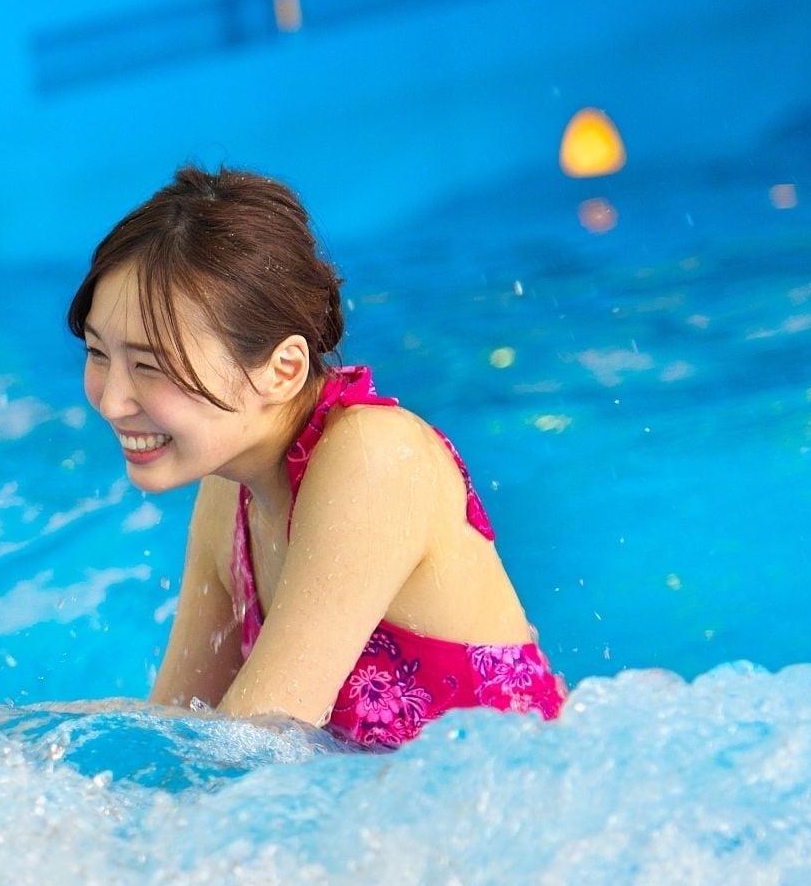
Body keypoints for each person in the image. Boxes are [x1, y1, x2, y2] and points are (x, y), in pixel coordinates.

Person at [70, 166, 562, 748]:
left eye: (150, 367)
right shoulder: (229, 490)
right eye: (99, 353)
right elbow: (179, 727)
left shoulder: (377, 459)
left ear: (283, 369)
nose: (112, 398)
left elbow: (250, 748)